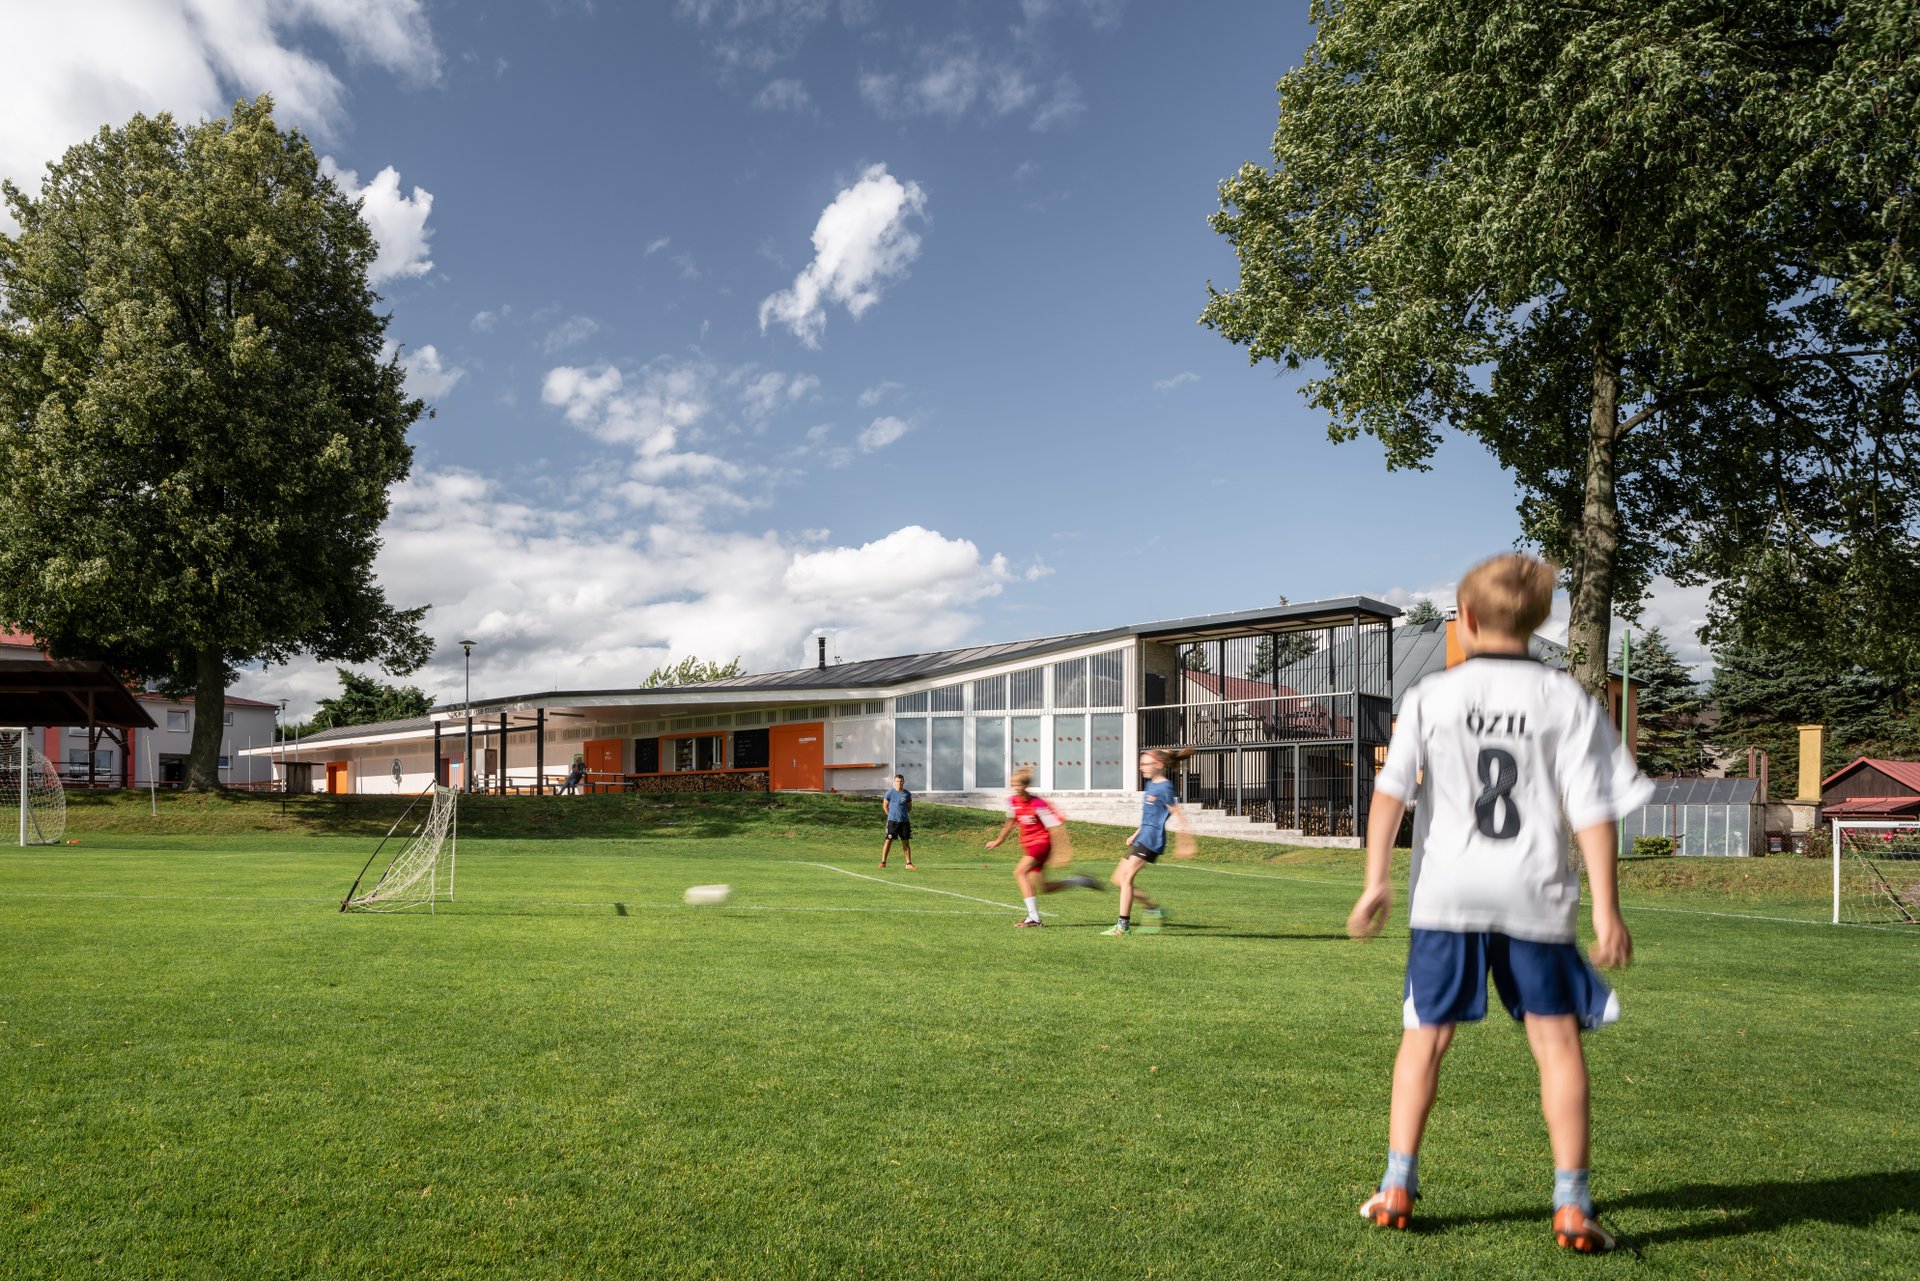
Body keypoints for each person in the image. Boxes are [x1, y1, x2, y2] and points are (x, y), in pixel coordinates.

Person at [1346, 553, 1651, 1254]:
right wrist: (1606, 907)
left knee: (1425, 1037)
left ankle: (1397, 1182)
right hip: (1533, 894)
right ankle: (1572, 1202)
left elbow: (1390, 793)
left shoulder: (1430, 694)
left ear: (1468, 619)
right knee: (1556, 1042)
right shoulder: (1568, 699)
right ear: (1539, 621)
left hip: (1446, 894)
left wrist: (1375, 882)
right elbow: (1595, 807)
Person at [985, 767, 1101, 926]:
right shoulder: (1013, 802)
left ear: (1025, 785)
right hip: (1029, 845)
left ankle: (1033, 918)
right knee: (1044, 887)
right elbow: (1010, 822)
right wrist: (999, 840)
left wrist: (1062, 852)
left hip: (1040, 844)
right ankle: (1078, 881)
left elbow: (1057, 827)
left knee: (1019, 872)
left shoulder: (1038, 803)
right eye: (1013, 784)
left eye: (1018, 784)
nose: (1015, 787)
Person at [1103, 749, 1195, 936]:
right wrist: (1136, 834)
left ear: (1158, 765)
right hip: (1143, 837)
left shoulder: (1165, 787)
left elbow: (1176, 812)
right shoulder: (1150, 785)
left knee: (1127, 878)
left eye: (1145, 764)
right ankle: (1154, 910)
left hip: (1152, 840)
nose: (1141, 767)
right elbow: (1150, 815)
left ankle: (1123, 927)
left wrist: (1184, 839)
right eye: (1141, 764)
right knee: (1118, 880)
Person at [879, 774, 916, 870]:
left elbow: (909, 807)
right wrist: (891, 816)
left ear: (904, 782)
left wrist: (902, 814)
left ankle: (908, 863)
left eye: (901, 781)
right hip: (892, 822)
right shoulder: (889, 793)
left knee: (906, 842)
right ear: (894, 782)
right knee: (888, 841)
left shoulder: (907, 794)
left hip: (904, 822)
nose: (899, 783)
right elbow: (885, 806)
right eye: (897, 781)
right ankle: (883, 862)